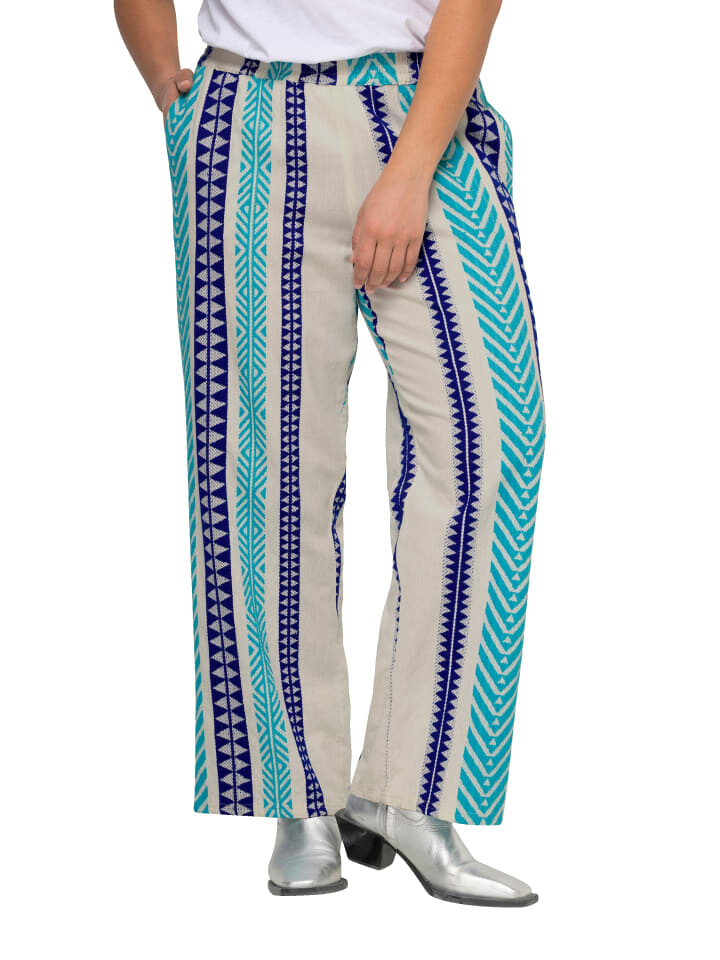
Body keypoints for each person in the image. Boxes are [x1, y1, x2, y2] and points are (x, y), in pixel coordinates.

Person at [114, 0, 547, 906]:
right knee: (264, 471)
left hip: (419, 107)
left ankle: (411, 791)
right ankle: (296, 796)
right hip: (247, 116)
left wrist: (412, 167)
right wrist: (169, 92)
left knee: (490, 440)